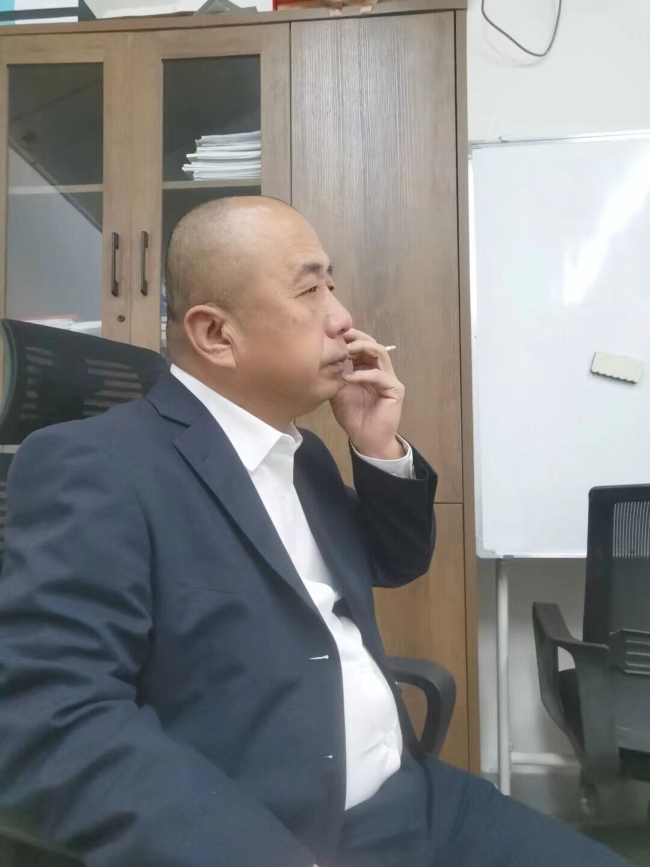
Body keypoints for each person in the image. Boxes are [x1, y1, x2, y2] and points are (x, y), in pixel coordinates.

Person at [0, 197, 628, 867]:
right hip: (287, 834)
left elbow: (397, 561)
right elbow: (54, 722)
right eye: (309, 291)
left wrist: (378, 447)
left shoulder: (305, 455)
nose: (342, 316)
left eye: (332, 284)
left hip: (420, 798)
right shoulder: (95, 466)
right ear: (215, 334)